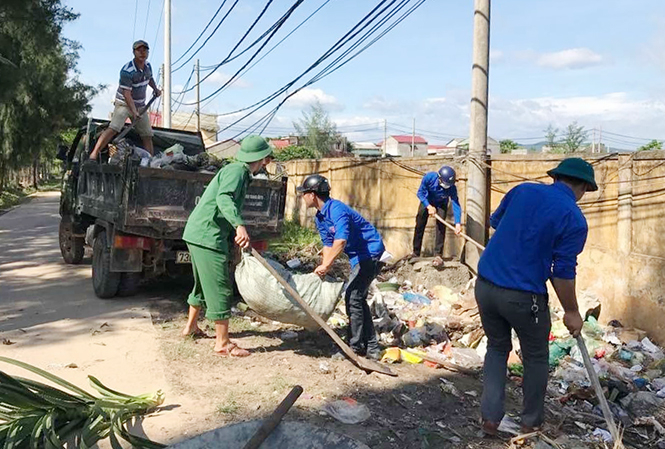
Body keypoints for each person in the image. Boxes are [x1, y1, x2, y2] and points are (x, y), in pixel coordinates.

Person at [475, 158, 597, 435]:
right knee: (536, 357)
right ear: (583, 187)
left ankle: (490, 419)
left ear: (556, 177)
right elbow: (563, 271)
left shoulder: (523, 190)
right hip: (523, 296)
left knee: (496, 348)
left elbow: (497, 223)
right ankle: (530, 423)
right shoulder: (574, 218)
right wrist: (572, 311)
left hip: (485, 286)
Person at [180, 136, 273, 357]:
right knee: (220, 286)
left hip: (198, 233)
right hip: (207, 235)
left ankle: (191, 327)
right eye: (267, 158)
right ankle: (222, 343)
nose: (268, 162)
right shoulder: (238, 172)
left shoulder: (236, 170)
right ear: (262, 159)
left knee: (203, 285)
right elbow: (224, 198)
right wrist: (239, 226)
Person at [297, 174, 385, 360]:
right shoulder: (320, 217)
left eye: (304, 193)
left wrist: (327, 264)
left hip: (371, 253)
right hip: (357, 257)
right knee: (357, 298)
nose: (302, 197)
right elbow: (328, 245)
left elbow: (341, 240)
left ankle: (356, 348)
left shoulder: (336, 210)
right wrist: (323, 266)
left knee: (353, 296)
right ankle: (371, 347)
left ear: (312, 195)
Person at [89, 40, 161, 161]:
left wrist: (155, 89)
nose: (142, 53)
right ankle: (94, 153)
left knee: (147, 134)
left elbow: (149, 79)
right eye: (139, 50)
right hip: (124, 103)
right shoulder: (127, 71)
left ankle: (150, 161)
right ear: (134, 52)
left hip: (140, 105)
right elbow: (127, 95)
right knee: (114, 128)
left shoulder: (148, 66)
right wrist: (134, 111)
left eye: (145, 50)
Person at [412, 165, 462, 265]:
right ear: (439, 179)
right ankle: (415, 252)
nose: (447, 186)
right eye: (445, 184)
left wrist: (457, 223)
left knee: (440, 226)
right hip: (426, 200)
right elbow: (420, 193)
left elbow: (456, 204)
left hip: (441, 203)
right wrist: (429, 206)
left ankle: (438, 254)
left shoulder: (452, 188)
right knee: (420, 224)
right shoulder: (429, 178)